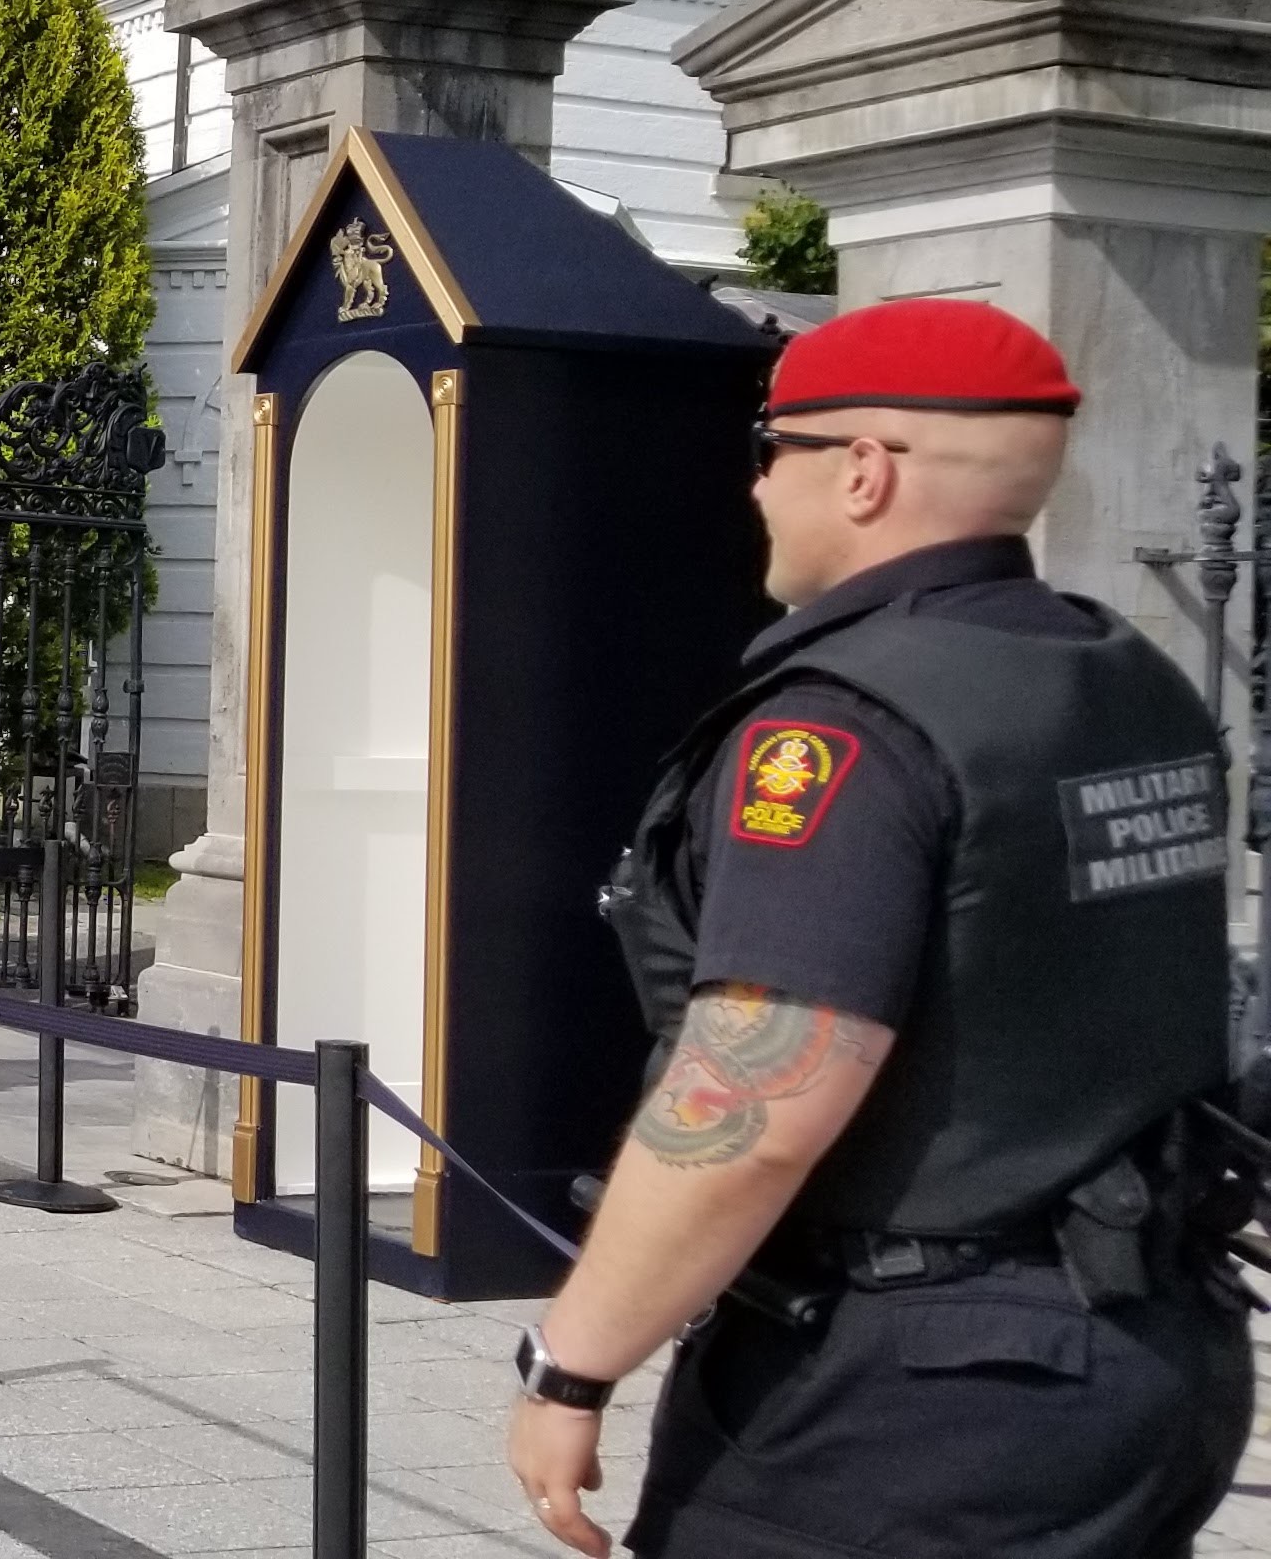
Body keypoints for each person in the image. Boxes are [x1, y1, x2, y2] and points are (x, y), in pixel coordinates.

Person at [509, 300, 1252, 1557]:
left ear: (861, 469)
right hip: (1149, 1343)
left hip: (918, 1402)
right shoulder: (1135, 678)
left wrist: (570, 1364)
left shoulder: (844, 729)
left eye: (769, 448)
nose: (755, 490)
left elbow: (751, 1104)